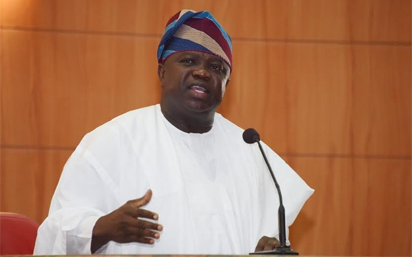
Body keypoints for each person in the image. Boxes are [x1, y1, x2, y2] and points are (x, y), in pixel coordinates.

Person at [34, 10, 314, 255]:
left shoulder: (250, 150)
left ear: (227, 84)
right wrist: (101, 228)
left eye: (216, 68)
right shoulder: (112, 141)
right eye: (189, 61)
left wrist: (270, 248)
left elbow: (270, 237)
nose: (202, 73)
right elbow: (54, 233)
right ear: (162, 72)